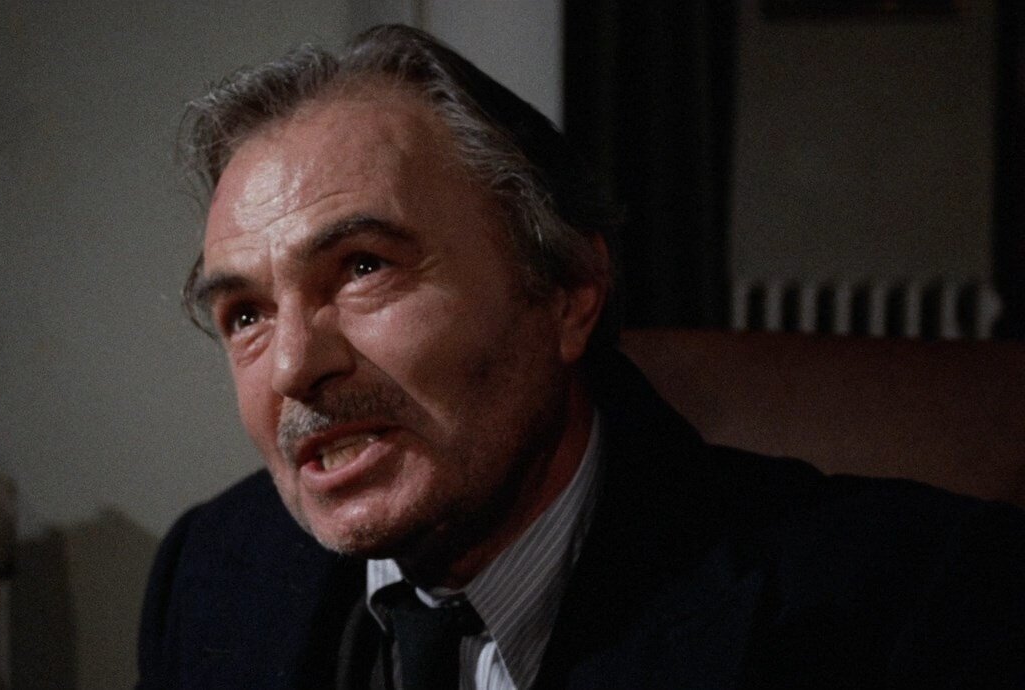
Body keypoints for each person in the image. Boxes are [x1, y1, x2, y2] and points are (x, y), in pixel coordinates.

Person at [138, 24, 1025, 689]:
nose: (293, 367)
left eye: (364, 267)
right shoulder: (211, 574)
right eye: (246, 314)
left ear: (566, 293)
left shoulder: (908, 601)